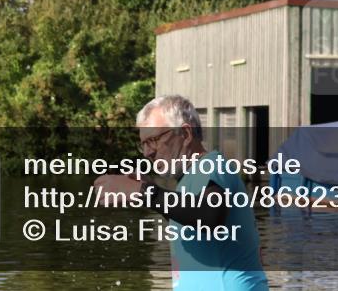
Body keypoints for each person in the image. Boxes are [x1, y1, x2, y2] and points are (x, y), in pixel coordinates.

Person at [94, 95, 268, 291]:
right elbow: (190, 221)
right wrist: (148, 190)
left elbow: (209, 216)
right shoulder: (187, 181)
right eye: (143, 144)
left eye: (153, 140)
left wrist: (144, 191)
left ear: (185, 134)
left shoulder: (214, 165)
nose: (147, 152)